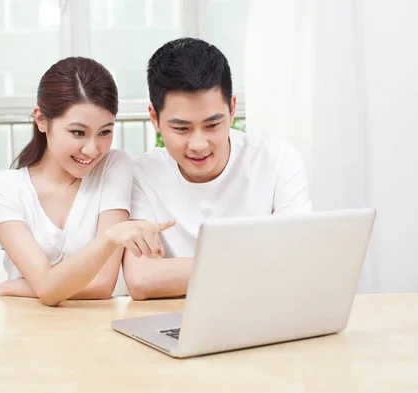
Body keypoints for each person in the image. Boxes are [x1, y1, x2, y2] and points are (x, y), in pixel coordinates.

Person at [122, 38, 313, 300]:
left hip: (264, 312)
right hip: (175, 321)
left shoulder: (278, 160)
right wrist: (261, 261)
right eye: (181, 129)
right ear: (154, 119)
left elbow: (298, 261)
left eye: (212, 125)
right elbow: (142, 280)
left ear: (232, 109)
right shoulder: (141, 175)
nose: (198, 145)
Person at [0, 57, 173, 306]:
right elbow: (49, 289)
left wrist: (13, 287)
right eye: (77, 133)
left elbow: (102, 285)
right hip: (24, 328)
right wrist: (109, 238)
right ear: (41, 119)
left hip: (95, 328)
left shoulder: (113, 166)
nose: (92, 150)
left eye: (105, 132)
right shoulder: (4, 189)